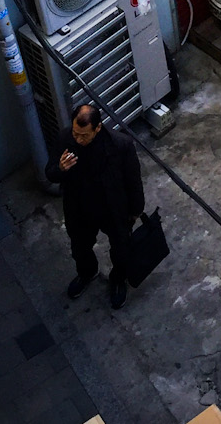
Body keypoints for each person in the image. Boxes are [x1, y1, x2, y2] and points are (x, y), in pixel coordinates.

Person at [46, 103, 145, 309]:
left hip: (112, 208)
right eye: (76, 133)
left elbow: (133, 180)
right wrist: (60, 169)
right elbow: (50, 173)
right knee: (80, 247)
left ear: (97, 128)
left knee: (121, 249)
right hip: (80, 207)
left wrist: (136, 209)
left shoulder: (120, 145)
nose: (78, 139)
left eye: (84, 135)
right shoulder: (65, 139)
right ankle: (87, 272)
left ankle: (118, 280)